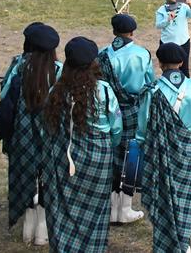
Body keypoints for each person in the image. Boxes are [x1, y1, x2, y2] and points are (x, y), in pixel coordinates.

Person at [41, 37, 122, 253]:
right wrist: (108, 146)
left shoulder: (56, 91)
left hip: (63, 156)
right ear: (93, 63)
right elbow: (116, 127)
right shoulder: (104, 91)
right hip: (98, 159)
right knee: (96, 212)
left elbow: (46, 127)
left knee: (62, 208)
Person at [136, 42, 191, 253]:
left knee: (162, 197)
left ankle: (164, 244)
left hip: (159, 151)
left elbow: (143, 125)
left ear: (159, 63)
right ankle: (184, 243)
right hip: (187, 149)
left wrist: (141, 145)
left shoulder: (152, 91)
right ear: (182, 62)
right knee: (185, 197)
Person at [0, 22, 61, 245]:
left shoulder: (18, 66)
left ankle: (27, 227)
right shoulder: (57, 70)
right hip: (49, 135)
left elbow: (4, 97)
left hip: (21, 135)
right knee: (47, 179)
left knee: (25, 176)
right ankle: (43, 229)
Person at [97, 13, 155, 224]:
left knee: (111, 155)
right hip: (132, 110)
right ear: (132, 32)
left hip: (108, 110)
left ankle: (112, 208)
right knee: (131, 154)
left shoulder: (101, 54)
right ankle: (125, 208)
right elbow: (150, 83)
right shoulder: (142, 54)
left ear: (114, 31)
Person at [155, 0, 191, 76]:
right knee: (167, 67)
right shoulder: (161, 10)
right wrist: (167, 19)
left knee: (184, 68)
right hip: (167, 43)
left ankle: (185, 84)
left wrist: (190, 5)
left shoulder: (184, 7)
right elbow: (158, 25)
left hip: (183, 42)